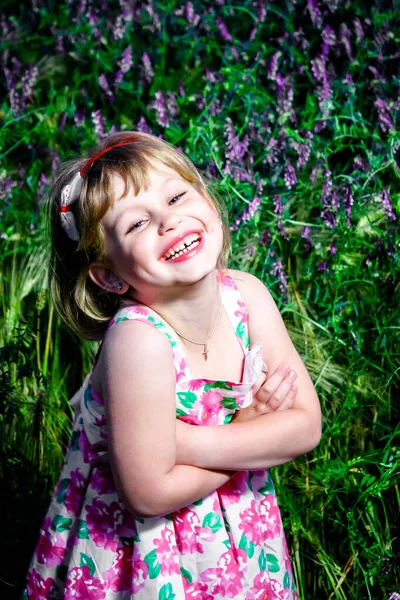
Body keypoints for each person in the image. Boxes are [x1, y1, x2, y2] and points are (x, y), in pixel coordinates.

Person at [25, 131, 321, 599]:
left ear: (206, 198)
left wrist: (181, 443)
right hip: (145, 556)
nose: (168, 221)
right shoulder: (138, 340)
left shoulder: (247, 296)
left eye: (178, 196)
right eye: (137, 224)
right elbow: (148, 492)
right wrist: (249, 433)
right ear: (109, 275)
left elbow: (305, 428)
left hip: (243, 539)